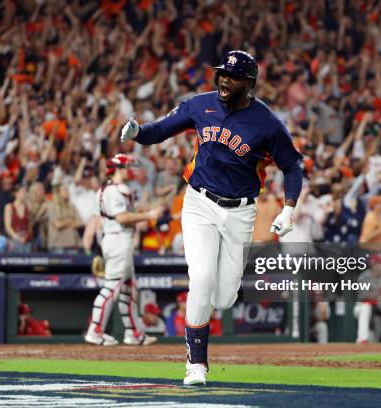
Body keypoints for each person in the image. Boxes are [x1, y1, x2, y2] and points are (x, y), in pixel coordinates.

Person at [120, 50, 303, 385]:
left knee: (224, 297)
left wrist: (289, 207)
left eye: (232, 76)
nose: (223, 79)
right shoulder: (198, 104)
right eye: (222, 73)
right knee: (201, 278)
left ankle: (202, 343)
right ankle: (196, 365)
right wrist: (136, 132)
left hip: (241, 212)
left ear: (249, 83)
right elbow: (159, 131)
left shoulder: (267, 123)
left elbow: (293, 166)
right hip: (199, 202)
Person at [84, 154, 161, 346]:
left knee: (128, 289)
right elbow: (122, 218)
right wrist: (149, 214)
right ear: (117, 169)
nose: (130, 169)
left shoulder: (104, 190)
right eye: (126, 166)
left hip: (114, 240)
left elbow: (100, 221)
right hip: (118, 240)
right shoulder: (114, 191)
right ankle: (95, 330)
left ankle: (133, 333)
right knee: (112, 288)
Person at [4, 185, 32, 253]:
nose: (25, 194)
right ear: (16, 194)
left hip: (25, 238)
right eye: (22, 192)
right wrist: (17, 237)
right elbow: (8, 226)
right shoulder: (9, 207)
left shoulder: (28, 207)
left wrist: (27, 237)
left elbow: (29, 225)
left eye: (25, 192)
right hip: (14, 237)